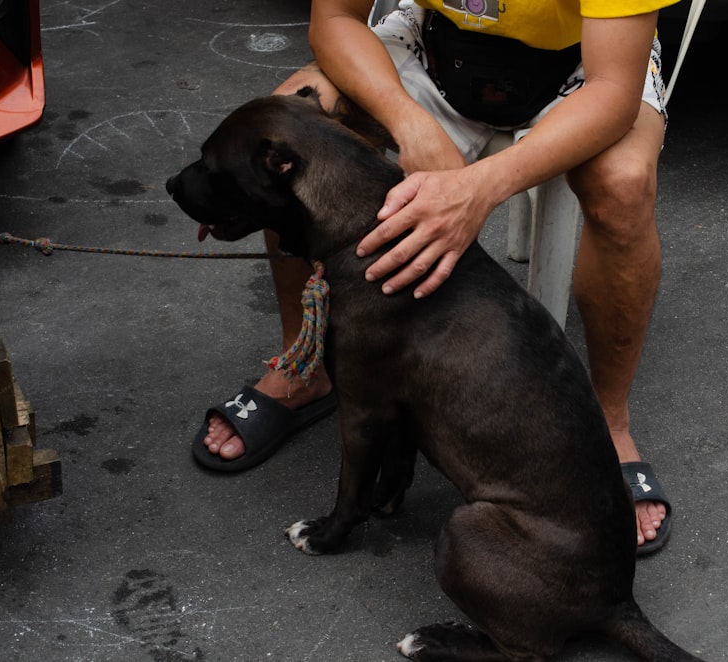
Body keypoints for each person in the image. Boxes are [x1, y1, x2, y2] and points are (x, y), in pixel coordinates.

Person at [193, 0, 679, 555]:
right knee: (288, 128)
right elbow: (335, 18)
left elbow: (614, 93)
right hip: (435, 45)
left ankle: (608, 422)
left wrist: (479, 188)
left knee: (623, 186)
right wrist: (409, 121)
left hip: (581, 69)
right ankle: (304, 366)